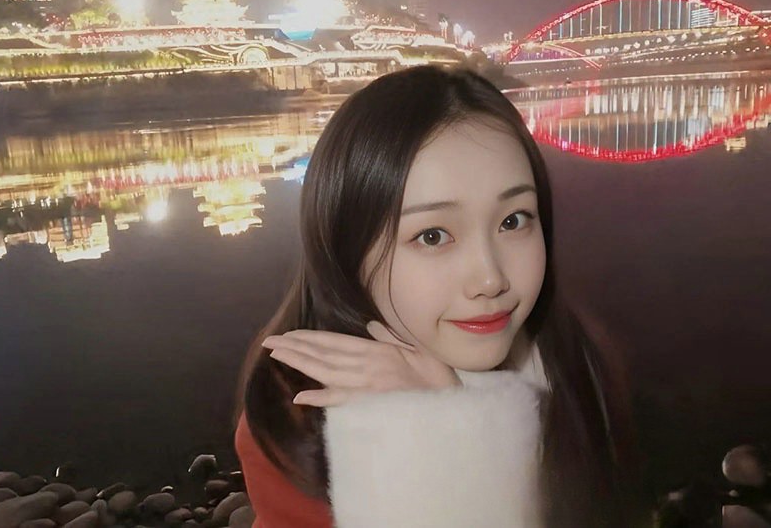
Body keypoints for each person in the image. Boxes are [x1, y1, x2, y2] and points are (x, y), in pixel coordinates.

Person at [233, 65, 641, 527]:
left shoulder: (574, 360)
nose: (490, 279)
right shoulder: (296, 421)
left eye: (513, 221)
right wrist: (436, 430)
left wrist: (455, 410)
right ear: (346, 249)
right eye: (432, 236)